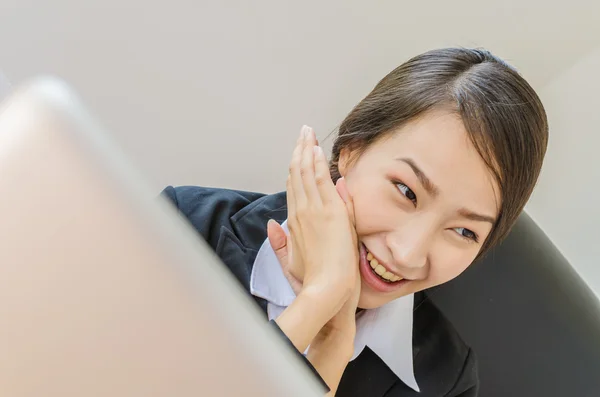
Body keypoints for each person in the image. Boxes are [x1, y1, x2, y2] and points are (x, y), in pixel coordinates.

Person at [161, 47, 548, 397]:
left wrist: (333, 341)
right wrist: (319, 301)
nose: (407, 252)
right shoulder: (186, 227)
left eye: (465, 231)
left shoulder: (445, 382)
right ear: (352, 148)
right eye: (406, 191)